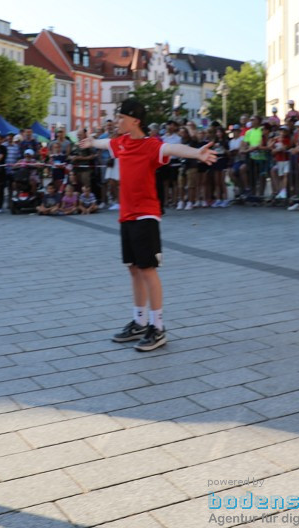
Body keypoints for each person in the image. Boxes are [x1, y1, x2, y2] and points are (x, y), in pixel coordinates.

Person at [79, 98, 215, 352]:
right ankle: (140, 321)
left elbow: (173, 150)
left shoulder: (151, 145)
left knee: (148, 270)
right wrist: (91, 143)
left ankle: (158, 326)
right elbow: (105, 143)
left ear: (135, 120)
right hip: (127, 215)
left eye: (121, 118)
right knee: (133, 268)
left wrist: (197, 152)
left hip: (145, 215)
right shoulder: (121, 143)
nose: (117, 121)